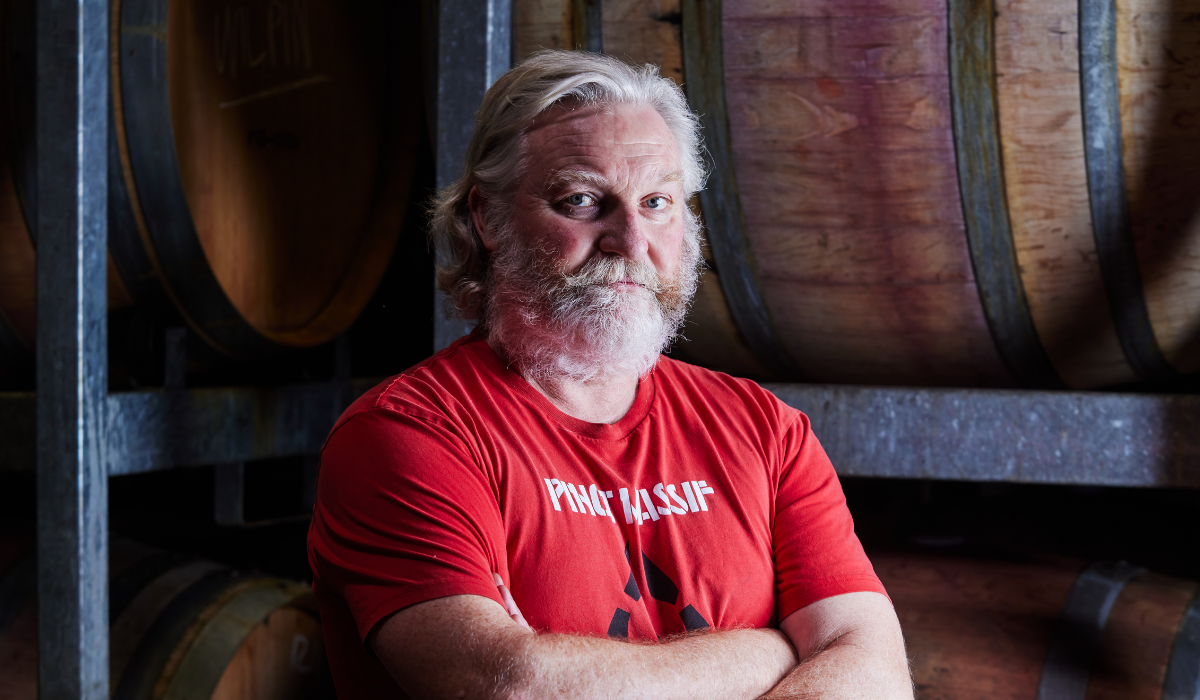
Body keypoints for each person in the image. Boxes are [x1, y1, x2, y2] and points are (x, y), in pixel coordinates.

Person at [307, 50, 913, 699]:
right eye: (582, 200)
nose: (629, 237)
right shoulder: (409, 437)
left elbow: (872, 669)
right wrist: (766, 652)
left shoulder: (765, 431)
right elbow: (509, 686)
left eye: (657, 201)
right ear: (487, 216)